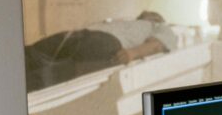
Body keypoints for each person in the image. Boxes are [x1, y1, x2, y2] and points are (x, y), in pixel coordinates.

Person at [25, 11, 177, 91]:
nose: (145, 14)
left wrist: (132, 53)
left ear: (158, 18)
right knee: (36, 52)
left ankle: (17, 88)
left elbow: (158, 45)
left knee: (62, 70)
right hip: (84, 33)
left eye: (150, 13)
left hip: (108, 43)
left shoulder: (161, 27)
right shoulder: (127, 22)